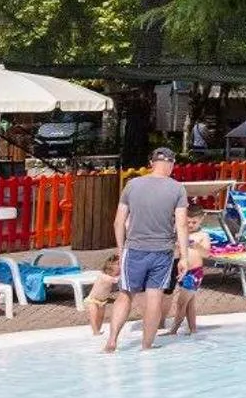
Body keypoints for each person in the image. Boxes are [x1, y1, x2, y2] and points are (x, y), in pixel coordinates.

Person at [107, 146, 188, 353]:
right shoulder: (177, 188)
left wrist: (121, 249)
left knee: (125, 295)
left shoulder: (132, 185)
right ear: (171, 164)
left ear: (151, 164)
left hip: (134, 249)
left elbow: (118, 222)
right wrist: (184, 258)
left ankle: (112, 341)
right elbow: (182, 225)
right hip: (163, 252)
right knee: (155, 298)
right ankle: (146, 345)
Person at [167, 227, 210, 336]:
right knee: (189, 303)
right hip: (182, 273)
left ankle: (173, 331)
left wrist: (198, 246)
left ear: (201, 219)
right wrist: (176, 247)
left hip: (195, 273)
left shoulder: (202, 235)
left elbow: (207, 254)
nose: (190, 225)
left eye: (194, 222)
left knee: (181, 303)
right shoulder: (180, 234)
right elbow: (176, 255)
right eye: (188, 222)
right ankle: (193, 329)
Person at [84, 254, 121, 337]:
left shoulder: (110, 276)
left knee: (101, 317)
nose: (119, 271)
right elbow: (115, 280)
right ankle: (95, 331)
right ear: (110, 269)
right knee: (94, 316)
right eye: (118, 267)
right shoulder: (103, 276)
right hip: (93, 300)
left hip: (102, 301)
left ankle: (98, 330)